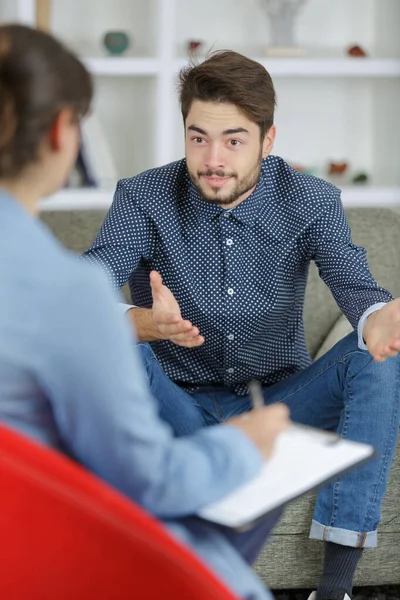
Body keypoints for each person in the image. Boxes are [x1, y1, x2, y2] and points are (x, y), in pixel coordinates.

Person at [83, 50, 400, 600]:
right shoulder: (142, 196)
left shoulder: (312, 201)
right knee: (108, 343)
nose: (212, 159)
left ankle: (335, 588)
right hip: (174, 407)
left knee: (381, 354)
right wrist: (138, 322)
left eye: (234, 140)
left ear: (267, 139)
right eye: (197, 137)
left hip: (277, 408)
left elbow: (356, 287)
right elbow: (80, 289)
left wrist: (377, 320)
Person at [0, 25, 292, 600]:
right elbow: (150, 479)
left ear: (266, 139)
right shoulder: (67, 291)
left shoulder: (306, 202)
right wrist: (244, 443)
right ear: (63, 133)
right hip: (72, 551)